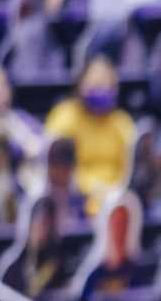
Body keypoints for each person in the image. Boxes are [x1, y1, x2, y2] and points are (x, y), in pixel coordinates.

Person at [43, 56, 136, 212]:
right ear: (81, 83)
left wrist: (114, 191)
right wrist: (91, 187)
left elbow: (131, 169)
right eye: (95, 80)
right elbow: (56, 166)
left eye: (106, 81)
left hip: (117, 199)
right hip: (74, 200)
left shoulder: (122, 122)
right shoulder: (65, 116)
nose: (100, 86)